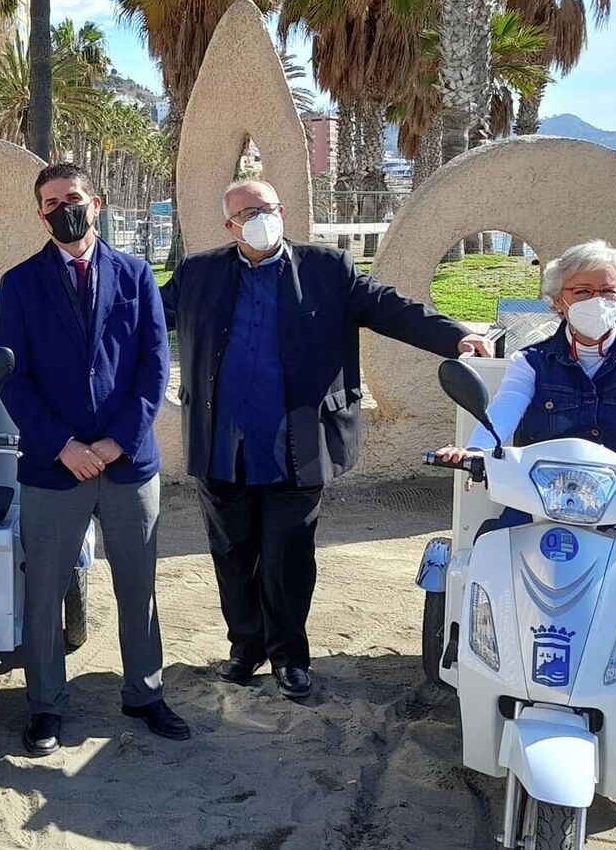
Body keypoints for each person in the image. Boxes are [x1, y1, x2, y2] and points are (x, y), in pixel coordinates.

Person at [160, 180, 491, 701]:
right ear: (229, 225)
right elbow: (143, 318)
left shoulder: (326, 269)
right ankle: (245, 648)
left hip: (297, 442)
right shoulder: (198, 272)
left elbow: (389, 307)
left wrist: (455, 336)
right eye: (245, 213)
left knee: (288, 555)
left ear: (282, 211)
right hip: (222, 444)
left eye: (265, 209)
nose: (257, 219)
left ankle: (289, 655)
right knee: (231, 551)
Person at [0, 162, 186, 756]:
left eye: (72, 198)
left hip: (128, 463)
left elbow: (155, 367)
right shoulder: (19, 283)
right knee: (44, 590)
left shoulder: (135, 275)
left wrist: (115, 442)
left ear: (95, 203)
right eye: (51, 202)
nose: (63, 209)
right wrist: (64, 446)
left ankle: (145, 693)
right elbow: (13, 377)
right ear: (39, 212)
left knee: (139, 585)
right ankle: (47, 706)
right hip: (55, 467)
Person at [434, 240, 616, 616]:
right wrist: (475, 451)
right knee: (494, 558)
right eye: (583, 291)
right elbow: (505, 407)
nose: (598, 301)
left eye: (609, 291)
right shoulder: (533, 360)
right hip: (544, 501)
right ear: (559, 300)